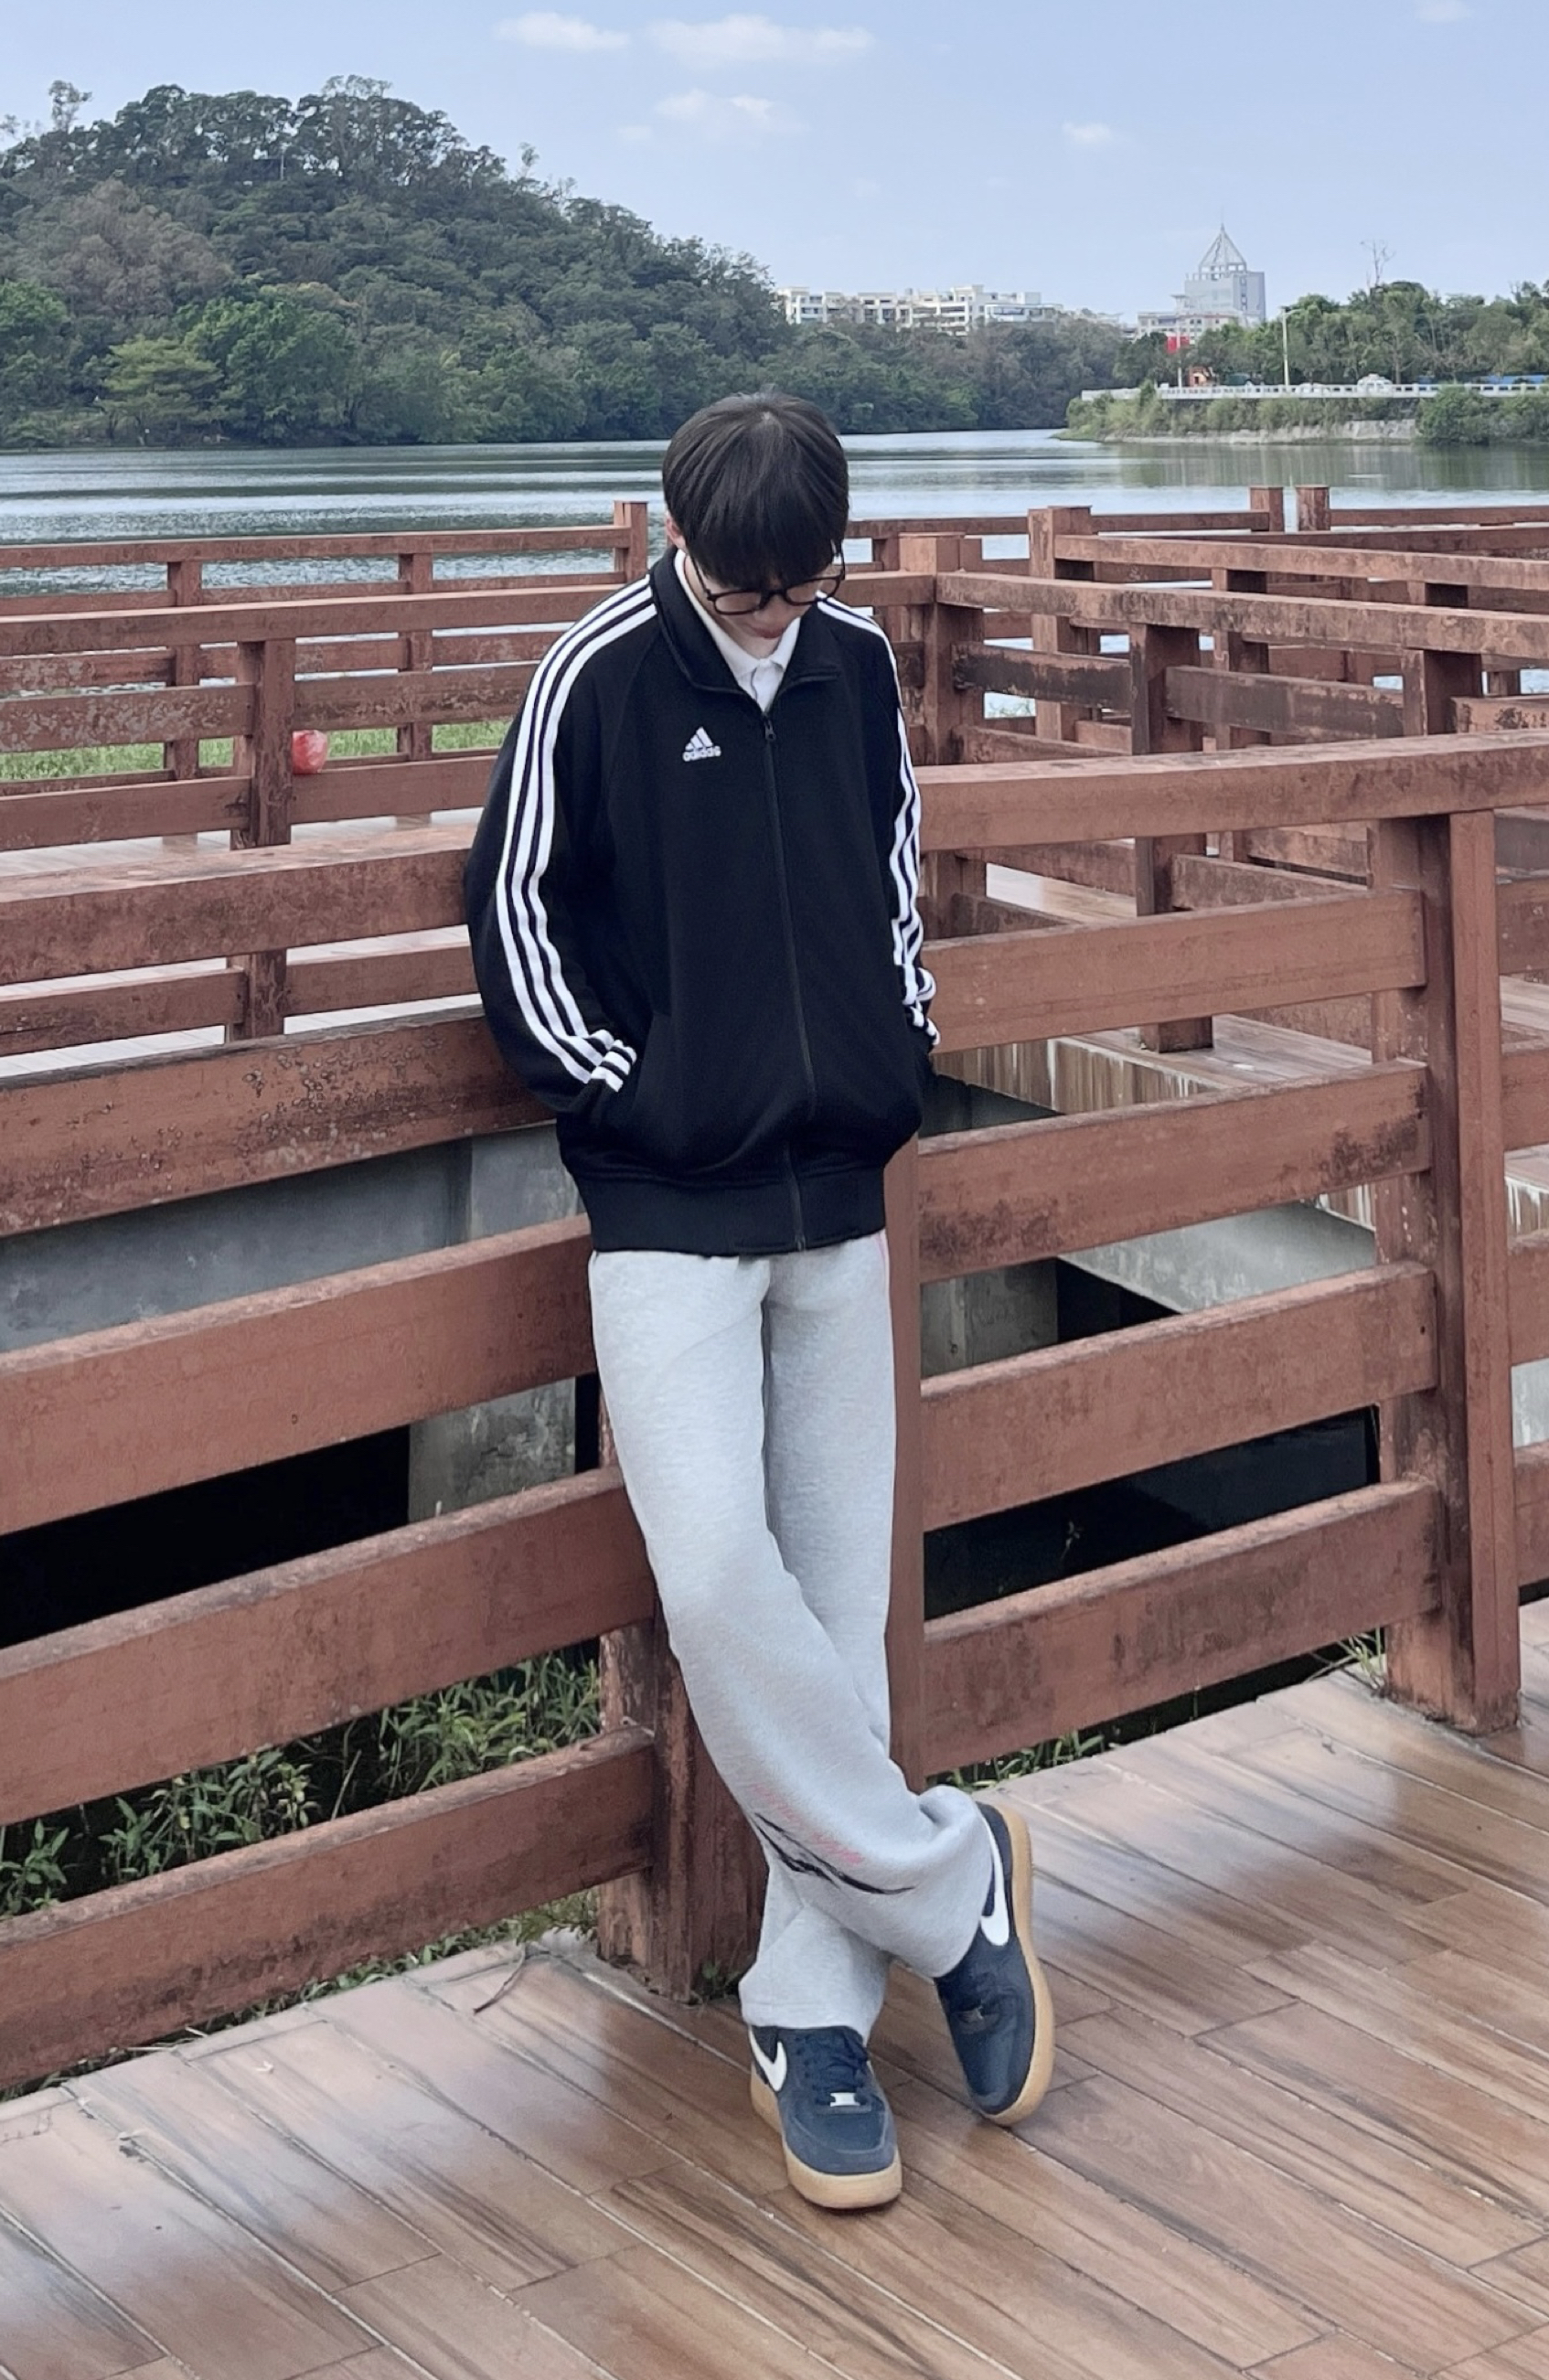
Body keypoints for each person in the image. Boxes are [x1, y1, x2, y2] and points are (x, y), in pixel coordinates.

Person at [464, 391, 1052, 2211]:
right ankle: (952, 1890)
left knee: (834, 1610)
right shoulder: (596, 679)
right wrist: (629, 1096)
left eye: (798, 588)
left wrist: (894, 1059)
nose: (771, 618)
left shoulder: (856, 667)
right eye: (742, 591)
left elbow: (890, 884)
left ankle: (810, 2014)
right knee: (719, 1573)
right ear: (675, 538)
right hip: (667, 1210)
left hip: (840, 1195)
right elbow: (511, 912)